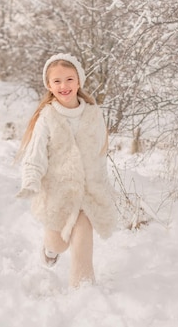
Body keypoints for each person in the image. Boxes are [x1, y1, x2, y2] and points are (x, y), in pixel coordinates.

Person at [16, 53, 117, 288]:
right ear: (49, 86)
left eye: (70, 79)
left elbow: (100, 155)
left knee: (83, 239)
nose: (64, 86)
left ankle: (83, 290)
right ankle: (50, 249)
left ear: (79, 81)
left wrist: (102, 186)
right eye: (57, 81)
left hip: (86, 193)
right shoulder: (47, 117)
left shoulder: (94, 115)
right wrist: (31, 180)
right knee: (59, 243)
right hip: (57, 194)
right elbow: (35, 155)